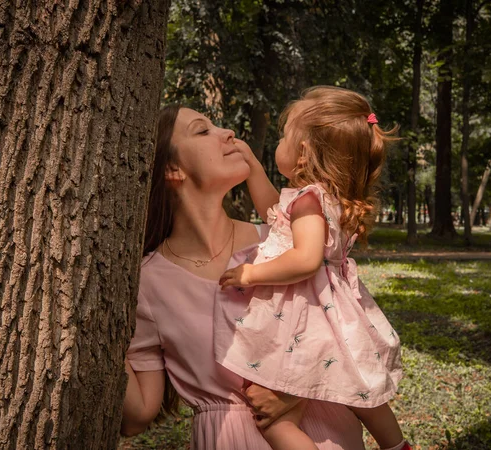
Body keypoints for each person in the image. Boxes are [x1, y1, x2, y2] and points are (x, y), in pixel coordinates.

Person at [121, 104, 366, 449]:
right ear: (172, 168)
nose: (228, 133)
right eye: (202, 130)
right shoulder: (148, 282)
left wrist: (292, 392)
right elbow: (138, 416)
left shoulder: (287, 245)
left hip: (327, 431)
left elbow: (353, 332)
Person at [217, 87, 409, 450]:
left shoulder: (308, 201)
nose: (279, 140)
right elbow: (275, 213)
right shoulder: (324, 198)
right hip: (335, 310)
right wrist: (254, 169)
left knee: (272, 418)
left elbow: (305, 259)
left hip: (305, 312)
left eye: (284, 134)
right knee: (360, 385)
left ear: (303, 153)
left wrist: (251, 274)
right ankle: (396, 445)